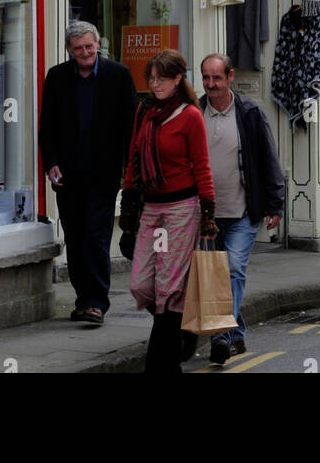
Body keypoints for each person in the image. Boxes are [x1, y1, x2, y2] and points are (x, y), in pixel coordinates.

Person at [119, 49, 217, 374]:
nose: (155, 83)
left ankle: (160, 364)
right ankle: (182, 331)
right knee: (142, 285)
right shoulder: (144, 112)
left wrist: (207, 214)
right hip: (152, 211)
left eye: (162, 78)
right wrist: (129, 218)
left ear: (177, 79)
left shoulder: (190, 115)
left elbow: (202, 167)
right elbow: (133, 160)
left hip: (181, 210)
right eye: (151, 77)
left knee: (168, 288)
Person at [38, 21, 137, 326]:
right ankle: (84, 299)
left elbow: (130, 126)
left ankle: (96, 302)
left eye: (89, 47)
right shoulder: (56, 77)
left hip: (103, 174)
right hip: (68, 175)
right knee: (76, 237)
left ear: (98, 46)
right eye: (78, 48)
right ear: (69, 50)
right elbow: (47, 127)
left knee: (96, 236)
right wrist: (51, 163)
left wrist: (127, 169)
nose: (84, 53)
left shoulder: (118, 75)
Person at [200, 52, 285, 365]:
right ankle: (235, 335)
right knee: (214, 278)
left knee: (233, 268)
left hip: (242, 213)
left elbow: (268, 158)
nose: (211, 84)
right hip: (206, 216)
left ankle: (220, 335)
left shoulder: (249, 113)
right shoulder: (196, 111)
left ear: (230, 77)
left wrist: (275, 203)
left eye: (217, 78)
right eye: (206, 78)